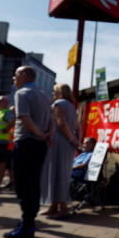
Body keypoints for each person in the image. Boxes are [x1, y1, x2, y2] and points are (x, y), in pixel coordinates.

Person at [5, 65, 53, 238]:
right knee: (34, 182)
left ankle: (26, 225)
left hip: (26, 142)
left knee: (23, 184)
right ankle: (29, 221)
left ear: (25, 75)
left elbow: (24, 118)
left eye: (16, 74)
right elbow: (51, 119)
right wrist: (48, 136)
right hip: (40, 145)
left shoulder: (22, 94)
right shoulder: (43, 95)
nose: (13, 78)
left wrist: (40, 134)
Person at [40, 83, 81, 219]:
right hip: (68, 142)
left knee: (56, 173)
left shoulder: (58, 104)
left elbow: (61, 123)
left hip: (59, 140)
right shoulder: (71, 106)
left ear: (60, 92)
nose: (53, 93)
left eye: (54, 91)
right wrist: (75, 141)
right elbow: (77, 127)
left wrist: (72, 140)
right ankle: (54, 206)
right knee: (62, 173)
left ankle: (62, 208)